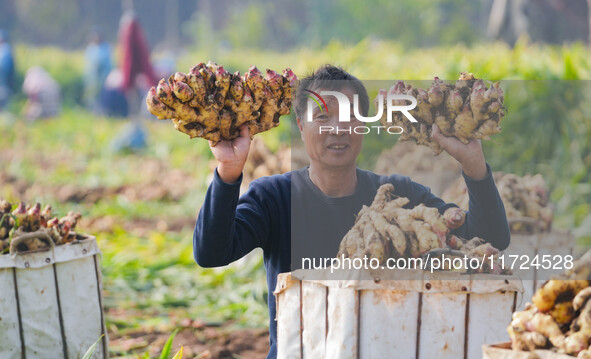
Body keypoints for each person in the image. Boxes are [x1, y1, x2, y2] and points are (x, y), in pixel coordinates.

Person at [193, 65, 510, 359]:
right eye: (323, 117)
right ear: (301, 125)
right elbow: (211, 253)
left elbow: (489, 238)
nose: (337, 128)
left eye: (349, 116)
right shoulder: (274, 197)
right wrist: (229, 170)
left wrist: (473, 164)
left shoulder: (401, 196)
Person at [84, 28, 112, 113]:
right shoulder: (90, 48)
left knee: (102, 96)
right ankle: (92, 111)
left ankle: (103, 111)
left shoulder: (106, 47)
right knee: (92, 96)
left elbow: (106, 63)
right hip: (92, 79)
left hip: (103, 78)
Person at [0, 29, 15, 110]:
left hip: (3, 83)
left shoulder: (4, 50)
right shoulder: (7, 50)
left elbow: (4, 69)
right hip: (5, 84)